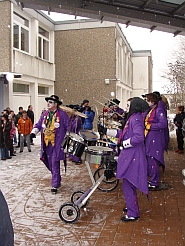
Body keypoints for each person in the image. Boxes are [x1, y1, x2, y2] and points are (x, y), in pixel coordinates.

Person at [116, 97, 149, 222]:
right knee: (128, 183)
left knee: (129, 183)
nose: (126, 108)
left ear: (134, 107)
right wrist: (108, 131)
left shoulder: (135, 119)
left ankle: (133, 213)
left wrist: (124, 144)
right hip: (131, 155)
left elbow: (139, 137)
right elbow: (124, 134)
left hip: (133, 155)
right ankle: (131, 207)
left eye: (128, 106)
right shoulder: (132, 118)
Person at [30, 95, 70, 194]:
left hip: (57, 144)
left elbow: (68, 127)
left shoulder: (62, 114)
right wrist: (33, 132)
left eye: (51, 102)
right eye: (48, 101)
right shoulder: (45, 114)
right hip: (46, 144)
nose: (48, 103)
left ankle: (54, 184)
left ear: (56, 104)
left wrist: (66, 139)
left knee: (55, 162)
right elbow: (39, 124)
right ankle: (57, 178)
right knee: (48, 162)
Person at [144, 93, 168, 190]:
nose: (146, 102)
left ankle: (154, 182)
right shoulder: (152, 110)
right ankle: (153, 179)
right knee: (150, 160)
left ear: (152, 101)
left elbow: (163, 124)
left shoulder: (158, 110)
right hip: (151, 139)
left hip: (155, 139)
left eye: (147, 100)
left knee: (153, 160)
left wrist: (150, 126)